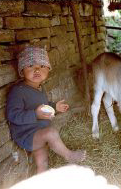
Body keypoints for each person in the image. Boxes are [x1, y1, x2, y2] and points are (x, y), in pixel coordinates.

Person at [6, 46, 86, 174]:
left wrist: (55, 107)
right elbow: (13, 115)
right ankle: (69, 156)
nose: (37, 70)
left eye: (42, 66)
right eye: (31, 65)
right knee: (51, 133)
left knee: (43, 164)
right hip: (27, 135)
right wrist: (35, 115)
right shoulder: (18, 91)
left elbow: (42, 105)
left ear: (48, 69)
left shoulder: (39, 88)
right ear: (22, 70)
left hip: (38, 132)